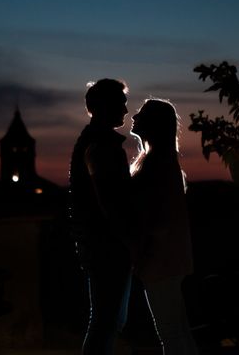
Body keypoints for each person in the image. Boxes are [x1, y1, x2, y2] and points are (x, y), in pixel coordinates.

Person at [68, 79, 134, 355]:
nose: (126, 108)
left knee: (108, 321)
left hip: (102, 244)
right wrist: (130, 240)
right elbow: (110, 202)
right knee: (106, 321)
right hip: (107, 246)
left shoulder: (96, 141)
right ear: (103, 106)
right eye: (121, 102)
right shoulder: (100, 145)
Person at [129, 99, 199, 355]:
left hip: (161, 259)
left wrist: (142, 254)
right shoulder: (161, 161)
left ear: (154, 124)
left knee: (169, 331)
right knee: (178, 329)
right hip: (170, 258)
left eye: (142, 113)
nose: (134, 116)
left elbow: (155, 217)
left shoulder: (155, 164)